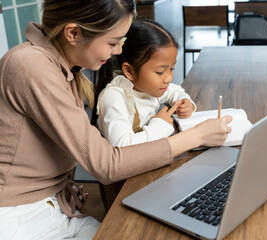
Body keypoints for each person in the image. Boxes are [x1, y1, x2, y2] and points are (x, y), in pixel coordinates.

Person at [0, 0, 232, 239]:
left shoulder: (62, 67)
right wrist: (195, 136)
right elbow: (107, 165)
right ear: (73, 33)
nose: (119, 50)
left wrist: (62, 187)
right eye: (113, 42)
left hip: (53, 210)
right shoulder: (31, 66)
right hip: (19, 218)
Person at [95, 19, 196, 147]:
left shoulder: (149, 87)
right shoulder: (115, 97)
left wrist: (185, 103)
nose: (169, 78)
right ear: (129, 71)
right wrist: (160, 125)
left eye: (171, 69)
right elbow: (122, 147)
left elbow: (175, 91)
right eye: (160, 72)